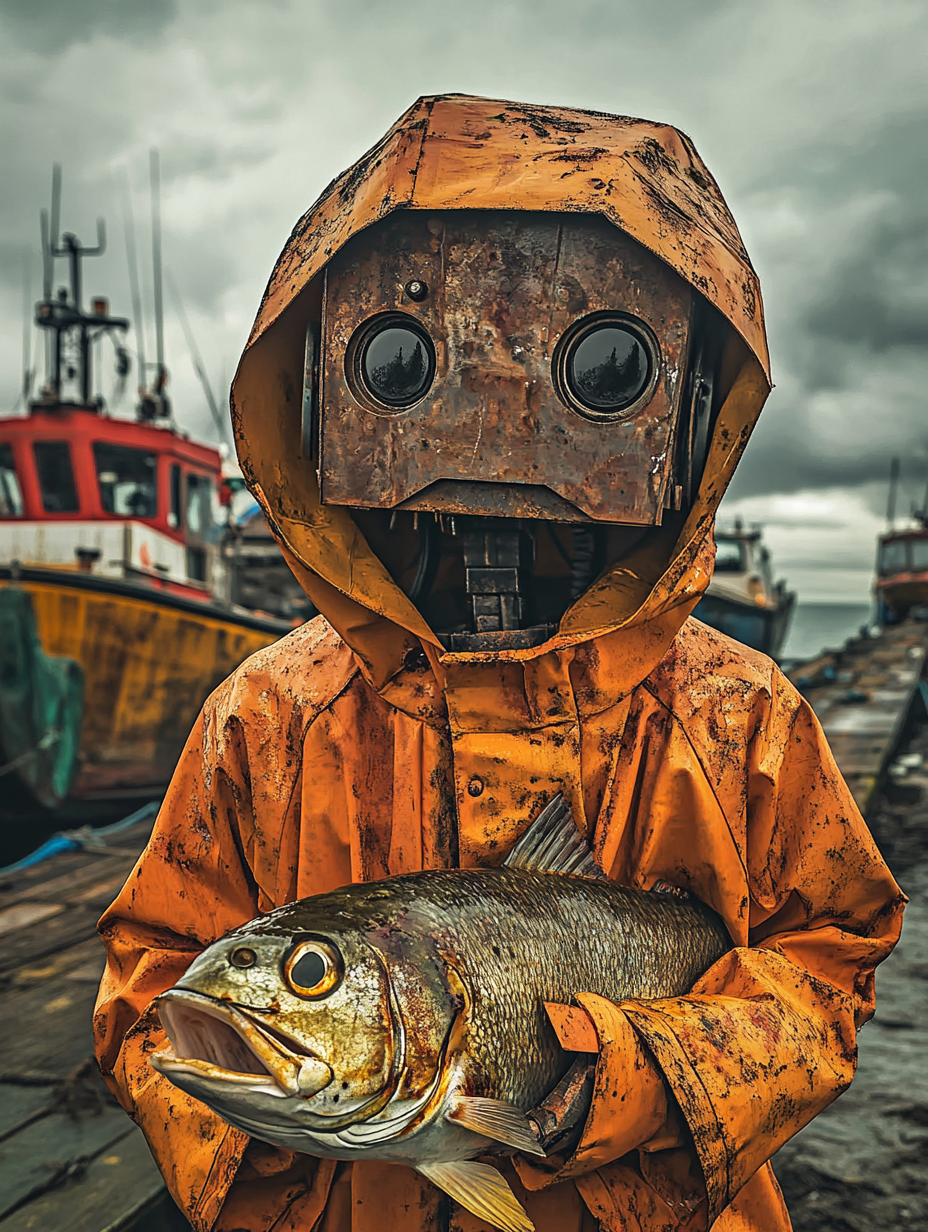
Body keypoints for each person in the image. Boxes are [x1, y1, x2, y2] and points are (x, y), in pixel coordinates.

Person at [94, 95, 904, 1232]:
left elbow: (831, 953)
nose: (498, 408)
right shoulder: (263, 720)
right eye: (403, 355)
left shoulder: (741, 721)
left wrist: (632, 1072)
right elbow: (156, 968)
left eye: (602, 362)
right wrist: (269, 1136)